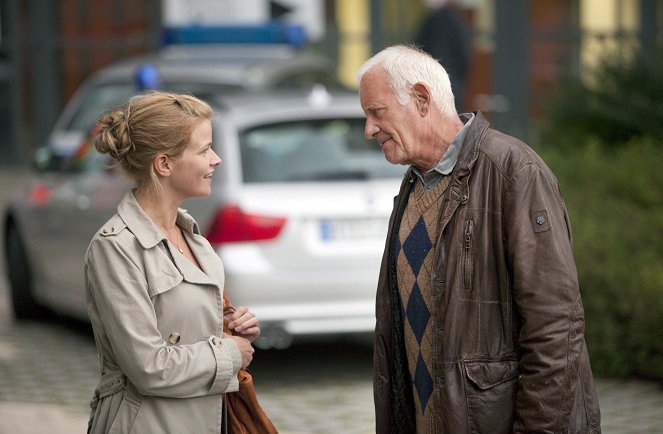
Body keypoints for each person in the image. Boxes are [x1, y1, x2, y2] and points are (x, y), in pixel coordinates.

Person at [357, 45, 601, 433]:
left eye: (376, 112)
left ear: (421, 99)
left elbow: (556, 328)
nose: (368, 129)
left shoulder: (513, 172)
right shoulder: (413, 185)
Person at [84, 91, 260, 433]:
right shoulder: (115, 248)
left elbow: (190, 323)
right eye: (204, 149)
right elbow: (149, 367)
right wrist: (231, 353)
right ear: (164, 164)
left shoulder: (195, 238)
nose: (216, 160)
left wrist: (233, 325)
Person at [414, 0, 472, 112]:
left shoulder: (441, 20)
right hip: (450, 88)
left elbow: (439, 57)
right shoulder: (455, 18)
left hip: (439, 90)